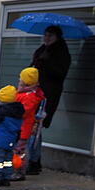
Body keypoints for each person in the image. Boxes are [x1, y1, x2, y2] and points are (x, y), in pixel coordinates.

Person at [29, 24, 71, 174]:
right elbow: (32, 68)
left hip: (47, 95)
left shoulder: (62, 53)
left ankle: (34, 162)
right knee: (32, 127)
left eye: (50, 35)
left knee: (36, 127)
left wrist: (47, 62)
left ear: (57, 37)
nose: (46, 38)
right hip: (34, 92)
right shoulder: (41, 50)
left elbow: (60, 74)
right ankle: (34, 161)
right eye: (45, 34)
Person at [12, 67, 46, 180]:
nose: (19, 80)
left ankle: (19, 172)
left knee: (19, 152)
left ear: (26, 82)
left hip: (22, 129)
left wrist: (9, 110)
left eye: (21, 78)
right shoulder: (24, 93)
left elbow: (22, 112)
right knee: (17, 151)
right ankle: (14, 170)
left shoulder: (29, 97)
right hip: (18, 128)